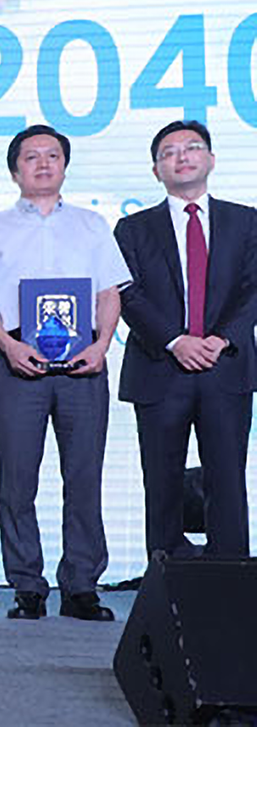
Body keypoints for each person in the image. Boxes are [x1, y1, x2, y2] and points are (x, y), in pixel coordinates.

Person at [0, 124, 130, 621]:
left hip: (83, 359)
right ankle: (27, 585)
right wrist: (9, 346)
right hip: (17, 359)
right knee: (17, 479)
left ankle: (81, 585)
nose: (43, 163)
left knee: (84, 476)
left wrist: (102, 345)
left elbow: (109, 293)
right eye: (32, 156)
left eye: (53, 155)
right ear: (15, 169)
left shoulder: (91, 224)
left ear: (64, 165)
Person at [115, 120, 257, 560]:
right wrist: (176, 340)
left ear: (211, 160)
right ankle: (167, 588)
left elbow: (254, 287)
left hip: (225, 368)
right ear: (156, 170)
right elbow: (127, 293)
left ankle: (231, 583)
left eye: (192, 147)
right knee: (161, 483)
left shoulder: (246, 220)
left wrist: (221, 339)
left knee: (227, 479)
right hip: (159, 369)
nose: (182, 156)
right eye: (169, 152)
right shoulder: (132, 228)